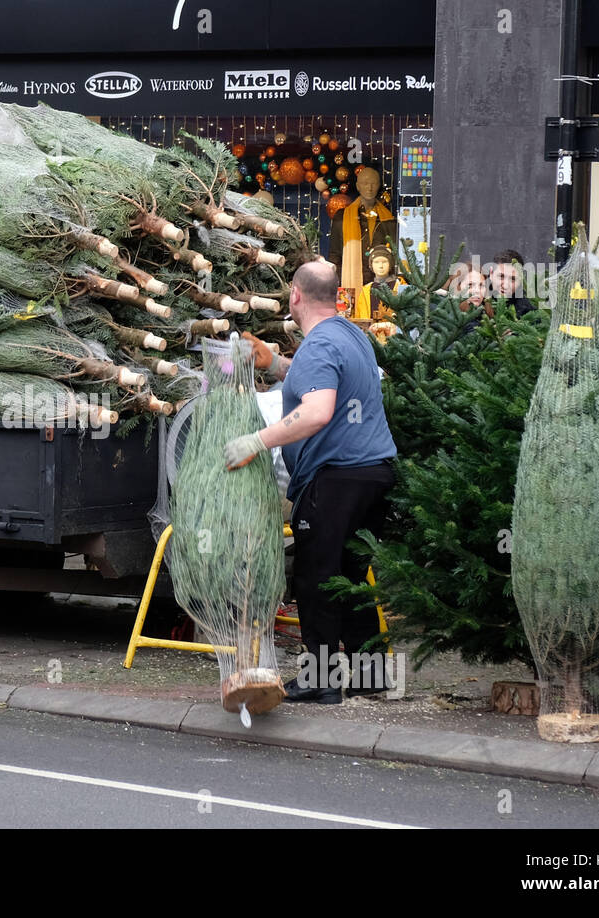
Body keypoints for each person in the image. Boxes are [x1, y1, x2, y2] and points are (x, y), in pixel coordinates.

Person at [222, 261, 397, 703]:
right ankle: (369, 676)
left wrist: (255, 441)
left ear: (295, 296)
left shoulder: (319, 345)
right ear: (336, 296)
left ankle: (321, 679)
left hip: (335, 479)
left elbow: (317, 411)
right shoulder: (350, 333)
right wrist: (276, 363)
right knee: (352, 576)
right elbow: (323, 382)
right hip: (373, 473)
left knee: (316, 577)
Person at [327, 167, 397, 296]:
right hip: (351, 280)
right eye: (365, 183)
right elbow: (335, 255)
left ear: (379, 185)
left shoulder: (388, 219)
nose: (369, 188)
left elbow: (395, 254)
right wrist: (337, 284)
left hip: (381, 282)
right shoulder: (342, 217)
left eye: (374, 183)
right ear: (358, 186)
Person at [486, 250, 535, 316]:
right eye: (501, 276)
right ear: (491, 273)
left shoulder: (529, 309)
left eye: (513, 279)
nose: (505, 286)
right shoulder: (478, 298)